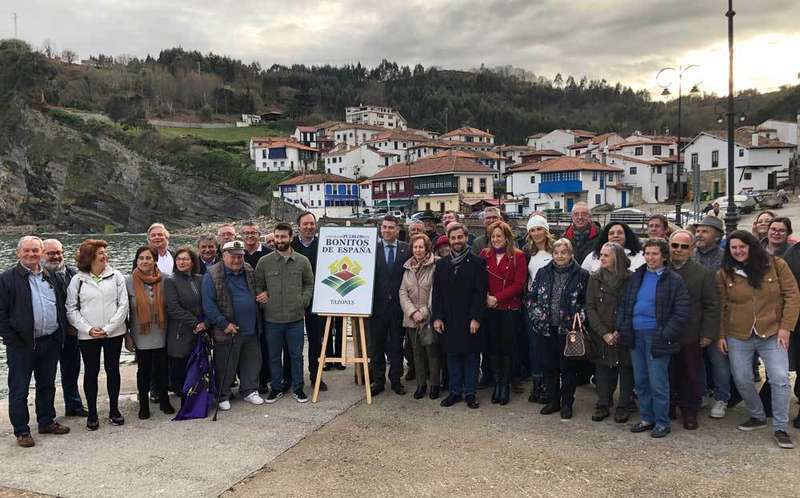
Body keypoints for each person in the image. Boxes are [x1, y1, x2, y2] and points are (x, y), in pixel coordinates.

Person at [717, 230, 800, 449]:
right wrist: (721, 335)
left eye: (742, 246)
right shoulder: (725, 273)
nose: (738, 251)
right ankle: (757, 414)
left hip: (772, 332)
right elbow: (721, 306)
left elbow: (792, 296)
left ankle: (780, 427)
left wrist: (786, 328)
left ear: (752, 246)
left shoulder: (776, 264)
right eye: (733, 247)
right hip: (738, 334)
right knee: (742, 378)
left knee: (780, 378)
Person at [0, 236, 71, 447]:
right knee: (19, 389)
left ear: (41, 253)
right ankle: (22, 431)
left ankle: (46, 421)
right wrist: (12, 339)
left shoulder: (51, 276)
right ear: (18, 253)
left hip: (49, 341)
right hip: (21, 345)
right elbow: (1, 314)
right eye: (27, 251)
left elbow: (60, 305)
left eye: (35, 251)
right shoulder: (6, 279)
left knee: (47, 385)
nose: (31, 254)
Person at [617, 239, 690, 438]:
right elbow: (625, 304)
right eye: (647, 253)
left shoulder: (673, 280)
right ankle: (646, 418)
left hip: (657, 336)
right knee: (640, 380)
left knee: (658, 381)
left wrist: (665, 333)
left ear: (664, 256)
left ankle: (662, 421)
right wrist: (624, 327)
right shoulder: (636, 277)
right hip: (635, 334)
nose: (650, 257)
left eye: (655, 254)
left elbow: (681, 311)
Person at [66, 239, 129, 431]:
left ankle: (114, 410)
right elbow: (71, 308)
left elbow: (123, 305)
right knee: (91, 372)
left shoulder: (116, 276)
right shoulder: (77, 280)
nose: (105, 256)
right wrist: (87, 329)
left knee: (113, 370)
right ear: (90, 256)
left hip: (114, 333)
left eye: (105, 252)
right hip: (88, 336)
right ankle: (92, 413)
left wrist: (109, 328)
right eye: (101, 252)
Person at [528, 238, 589, 419]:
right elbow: (531, 297)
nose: (560, 256)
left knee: (568, 368)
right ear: (552, 254)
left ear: (570, 254)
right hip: (546, 328)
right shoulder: (543, 272)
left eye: (564, 252)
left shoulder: (582, 275)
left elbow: (587, 302)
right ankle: (552, 401)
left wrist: (581, 315)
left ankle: (567, 403)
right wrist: (537, 314)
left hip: (568, 329)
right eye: (556, 252)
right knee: (549, 366)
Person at [201, 240, 264, 411]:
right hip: (227, 329)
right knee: (225, 365)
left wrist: (263, 295)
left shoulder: (249, 270)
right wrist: (224, 323)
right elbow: (209, 305)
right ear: (223, 256)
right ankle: (223, 394)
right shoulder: (211, 275)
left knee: (251, 361)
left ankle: (250, 390)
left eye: (240, 256)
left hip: (250, 327)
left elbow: (257, 290)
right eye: (233, 256)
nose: (237, 260)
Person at [255, 222, 314, 403]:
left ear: (290, 237)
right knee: (273, 356)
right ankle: (276, 388)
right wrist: (263, 298)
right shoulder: (264, 262)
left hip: (295, 319)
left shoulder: (302, 261)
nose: (279, 240)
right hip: (272, 320)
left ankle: (298, 388)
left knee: (296, 356)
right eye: (277, 237)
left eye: (283, 237)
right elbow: (258, 286)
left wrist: (302, 302)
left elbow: (309, 284)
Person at [668, 230, 719, 430]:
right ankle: (669, 406)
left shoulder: (703, 274)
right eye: (675, 246)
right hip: (664, 334)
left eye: (684, 246)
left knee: (690, 374)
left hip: (690, 333)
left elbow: (712, 305)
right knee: (667, 372)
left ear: (691, 249)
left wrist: (708, 333)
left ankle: (690, 410)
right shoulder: (660, 268)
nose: (678, 250)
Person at [433, 223, 487, 409]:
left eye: (460, 237)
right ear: (449, 239)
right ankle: (455, 392)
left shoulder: (478, 262)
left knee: (471, 357)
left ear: (466, 238)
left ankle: (470, 393)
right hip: (449, 318)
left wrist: (476, 318)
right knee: (452, 357)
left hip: (469, 318)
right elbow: (437, 293)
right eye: (453, 238)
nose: (457, 241)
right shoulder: (441, 264)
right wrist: (437, 317)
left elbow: (480, 294)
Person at [586, 242, 633, 423]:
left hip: (623, 331)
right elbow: (590, 307)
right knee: (603, 368)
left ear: (617, 258)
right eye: (601, 255)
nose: (602, 258)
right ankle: (603, 403)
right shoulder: (595, 278)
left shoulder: (630, 278)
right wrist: (603, 333)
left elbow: (632, 306)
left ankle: (623, 404)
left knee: (626, 368)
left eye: (606, 255)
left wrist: (620, 331)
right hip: (602, 331)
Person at [480, 221, 527, 405]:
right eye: (493, 236)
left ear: (507, 237)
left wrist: (497, 298)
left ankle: (505, 385)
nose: (496, 239)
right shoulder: (485, 254)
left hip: (509, 308)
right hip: (490, 309)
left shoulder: (518, 256)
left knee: (507, 347)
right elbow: (479, 278)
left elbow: (519, 284)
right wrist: (485, 296)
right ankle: (496, 383)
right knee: (492, 347)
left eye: (499, 236)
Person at [126, 246, 175, 419]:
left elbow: (172, 306)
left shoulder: (166, 280)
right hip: (141, 332)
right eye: (141, 258)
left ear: (154, 260)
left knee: (162, 368)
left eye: (148, 258)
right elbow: (124, 311)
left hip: (162, 330)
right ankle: (144, 405)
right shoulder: (127, 281)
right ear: (137, 261)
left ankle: (164, 400)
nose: (145, 261)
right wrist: (127, 335)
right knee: (144, 369)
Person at [42, 238, 87, 417]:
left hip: (72, 333)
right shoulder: (39, 275)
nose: (56, 256)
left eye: (59, 252)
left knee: (71, 371)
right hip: (50, 334)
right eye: (51, 253)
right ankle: (46, 415)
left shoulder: (73, 273)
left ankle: (74, 406)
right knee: (46, 377)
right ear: (42, 254)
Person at [370, 215, 411, 396]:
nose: (386, 230)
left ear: (397, 229)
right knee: (376, 345)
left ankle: (396, 380)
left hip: (398, 307)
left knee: (396, 345)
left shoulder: (407, 250)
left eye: (390, 227)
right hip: (377, 307)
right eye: (384, 227)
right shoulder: (372, 250)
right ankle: (378, 380)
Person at [399, 234, 441, 399]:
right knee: (417, 354)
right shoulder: (407, 267)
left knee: (432, 353)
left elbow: (435, 292)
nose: (418, 250)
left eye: (421, 247)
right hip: (411, 318)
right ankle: (421, 384)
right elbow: (402, 292)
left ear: (427, 248)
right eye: (415, 247)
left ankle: (435, 385)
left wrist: (423, 312)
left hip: (428, 317)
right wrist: (412, 312)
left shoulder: (435, 265)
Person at [164, 246, 206, 404]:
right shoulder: (171, 280)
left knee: (197, 363)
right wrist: (195, 323)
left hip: (201, 329)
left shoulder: (201, 279)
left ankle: (197, 393)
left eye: (185, 259)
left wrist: (205, 323)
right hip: (180, 331)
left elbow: (208, 303)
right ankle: (183, 396)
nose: (181, 262)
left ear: (193, 261)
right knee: (180, 364)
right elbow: (173, 308)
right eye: (179, 259)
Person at [291, 211, 326, 391]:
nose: (309, 227)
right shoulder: (290, 245)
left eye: (312, 224)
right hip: (293, 299)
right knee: (291, 340)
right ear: (299, 226)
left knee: (315, 340)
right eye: (305, 224)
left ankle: (316, 376)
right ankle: (291, 377)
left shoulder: (323, 245)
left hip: (317, 299)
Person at [522, 214, 555, 403]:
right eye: (532, 230)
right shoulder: (528, 253)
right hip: (533, 307)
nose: (536, 233)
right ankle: (537, 384)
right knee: (535, 347)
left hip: (553, 306)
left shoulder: (556, 250)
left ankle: (549, 385)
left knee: (549, 348)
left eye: (539, 229)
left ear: (546, 230)